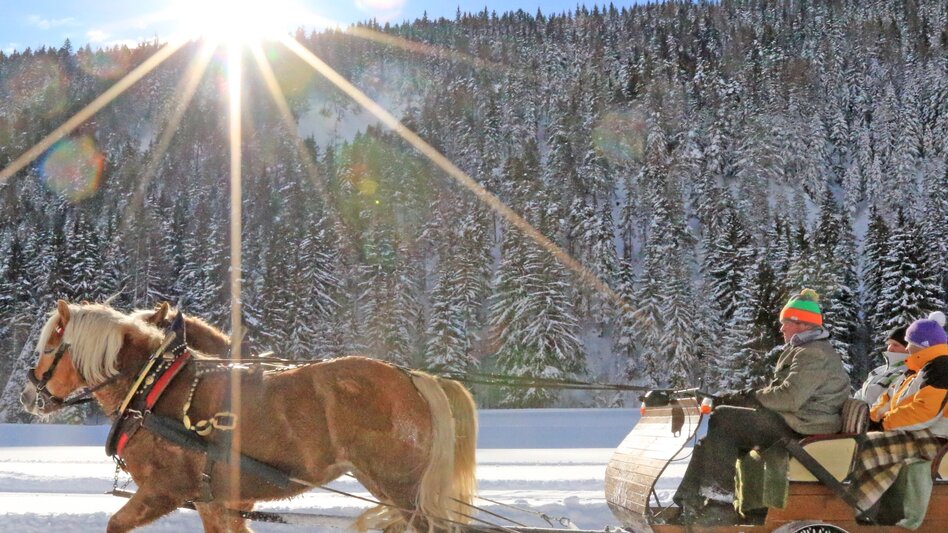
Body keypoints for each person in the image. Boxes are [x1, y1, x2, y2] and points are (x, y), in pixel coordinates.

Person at [673, 289, 850, 525]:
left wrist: (749, 397)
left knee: (723, 419)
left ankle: (720, 505)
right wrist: (737, 398)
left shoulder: (814, 353)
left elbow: (790, 397)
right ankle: (689, 501)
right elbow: (783, 395)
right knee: (713, 439)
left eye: (785, 322)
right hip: (794, 420)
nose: (782, 328)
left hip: (805, 426)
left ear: (802, 324)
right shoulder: (803, 350)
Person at [869, 312, 948, 436]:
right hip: (913, 431)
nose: (906, 348)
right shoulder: (917, 368)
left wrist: (884, 423)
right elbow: (890, 398)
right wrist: (871, 419)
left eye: (909, 342)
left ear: (923, 345)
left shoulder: (940, 370)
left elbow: (924, 412)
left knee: (863, 451)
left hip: (937, 437)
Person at [854, 324, 910, 406]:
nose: (890, 348)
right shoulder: (878, 371)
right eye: (889, 344)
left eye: (896, 345)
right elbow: (862, 393)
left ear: (908, 348)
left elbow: (890, 402)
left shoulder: (908, 372)